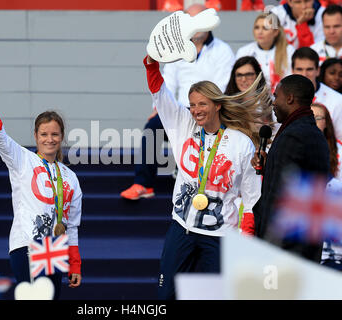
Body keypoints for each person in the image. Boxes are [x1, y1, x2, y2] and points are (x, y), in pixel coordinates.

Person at [144, 51, 271, 299]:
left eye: (202, 104)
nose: (196, 110)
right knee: (166, 294)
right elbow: (160, 92)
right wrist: (151, 64)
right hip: (183, 227)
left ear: (217, 105)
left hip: (221, 234)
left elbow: (252, 196)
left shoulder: (241, 143)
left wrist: (246, 238)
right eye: (192, 104)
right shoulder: (183, 123)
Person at [0, 80, 82, 299]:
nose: (49, 139)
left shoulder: (71, 177)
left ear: (61, 137)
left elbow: (71, 225)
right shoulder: (22, 159)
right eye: (44, 134)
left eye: (55, 134)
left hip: (55, 249)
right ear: (35, 136)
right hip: (27, 244)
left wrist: (75, 264)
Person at [120, 4, 235, 200]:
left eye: (198, 19)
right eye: (190, 20)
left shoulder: (223, 50)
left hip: (210, 113)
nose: (194, 25)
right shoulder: (177, 49)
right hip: (180, 112)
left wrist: (207, 108)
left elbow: (222, 87)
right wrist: (158, 109)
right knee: (152, 127)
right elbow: (168, 80)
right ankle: (143, 184)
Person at [252, 74, 330, 262]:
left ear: (290, 98)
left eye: (276, 96)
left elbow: (280, 199)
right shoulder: (312, 133)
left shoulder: (293, 136)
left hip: (286, 248)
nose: (273, 103)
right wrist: (269, 164)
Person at [310, 103, 342, 270]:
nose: (312, 121)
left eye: (317, 118)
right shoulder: (294, 147)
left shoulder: (339, 151)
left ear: (327, 122)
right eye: (309, 117)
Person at [236, 12, 296, 93]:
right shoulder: (244, 51)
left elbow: (291, 81)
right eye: (257, 27)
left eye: (265, 28)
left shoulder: (289, 51)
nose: (260, 32)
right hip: (252, 100)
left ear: (275, 32)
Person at [291, 47, 342, 141]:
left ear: (318, 71)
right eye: (299, 69)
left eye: (309, 69)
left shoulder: (337, 100)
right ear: (292, 70)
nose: (304, 74)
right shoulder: (282, 97)